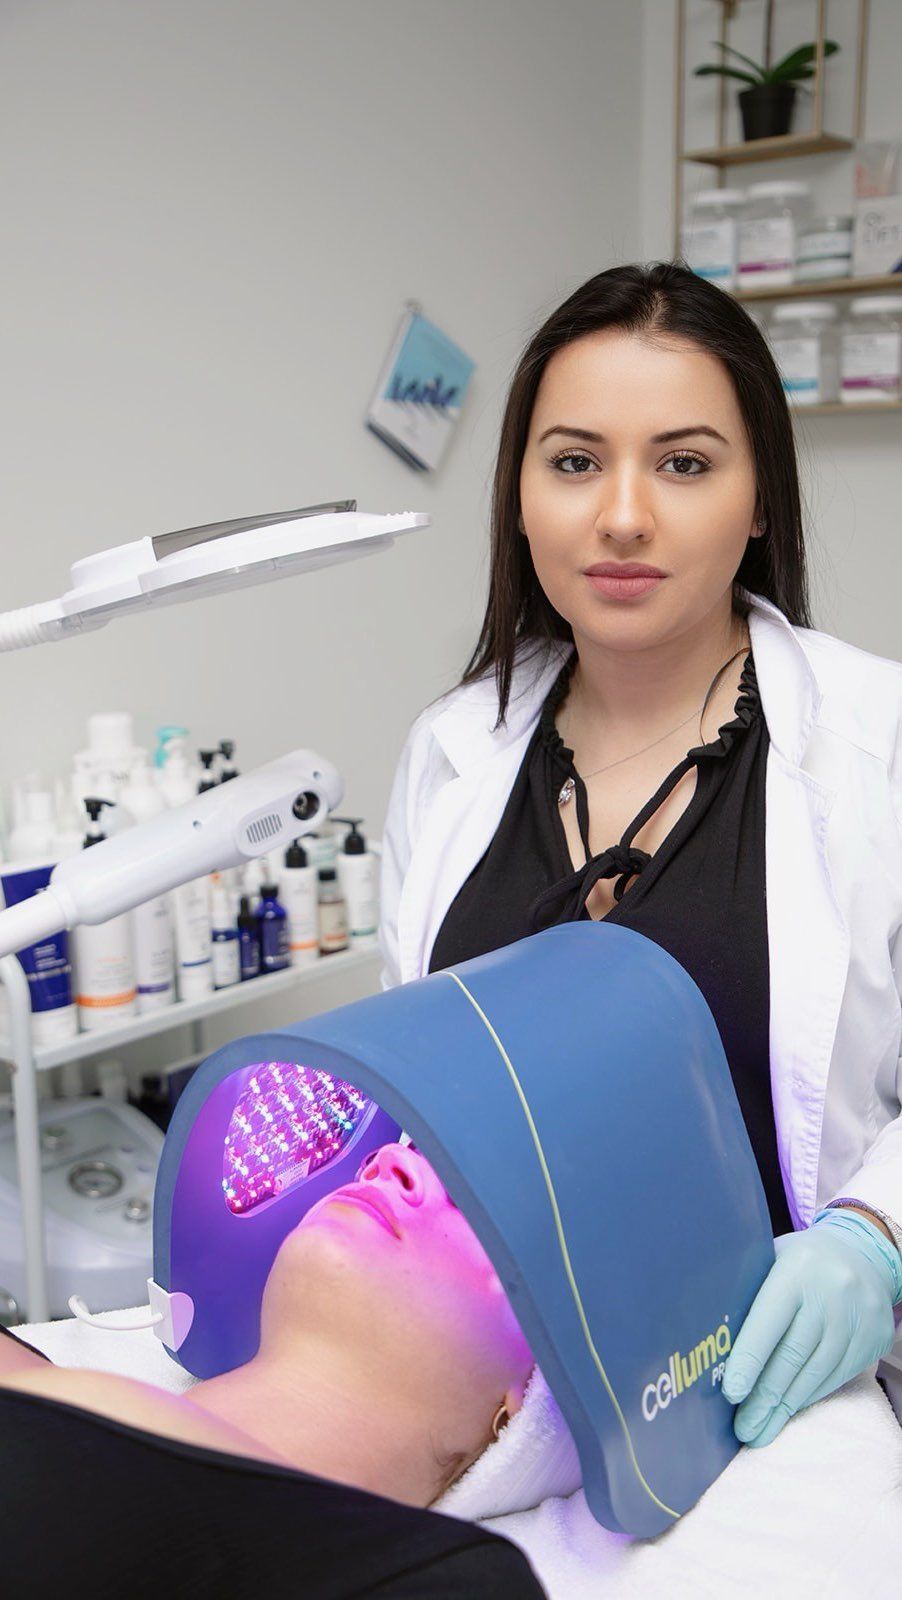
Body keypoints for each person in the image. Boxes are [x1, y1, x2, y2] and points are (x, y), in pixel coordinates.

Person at [378, 260, 902, 1451]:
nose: (620, 515)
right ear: (518, 496)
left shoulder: (875, 744)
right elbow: (415, 1082)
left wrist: (872, 1234)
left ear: (758, 499)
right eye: (573, 462)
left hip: (793, 1399)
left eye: (683, 464)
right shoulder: (448, 755)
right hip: (508, 1398)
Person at [1, 1141, 546, 1599]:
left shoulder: (448, 1582)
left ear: (528, 1392)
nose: (387, 1161)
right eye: (382, 1158)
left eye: (472, 1200)